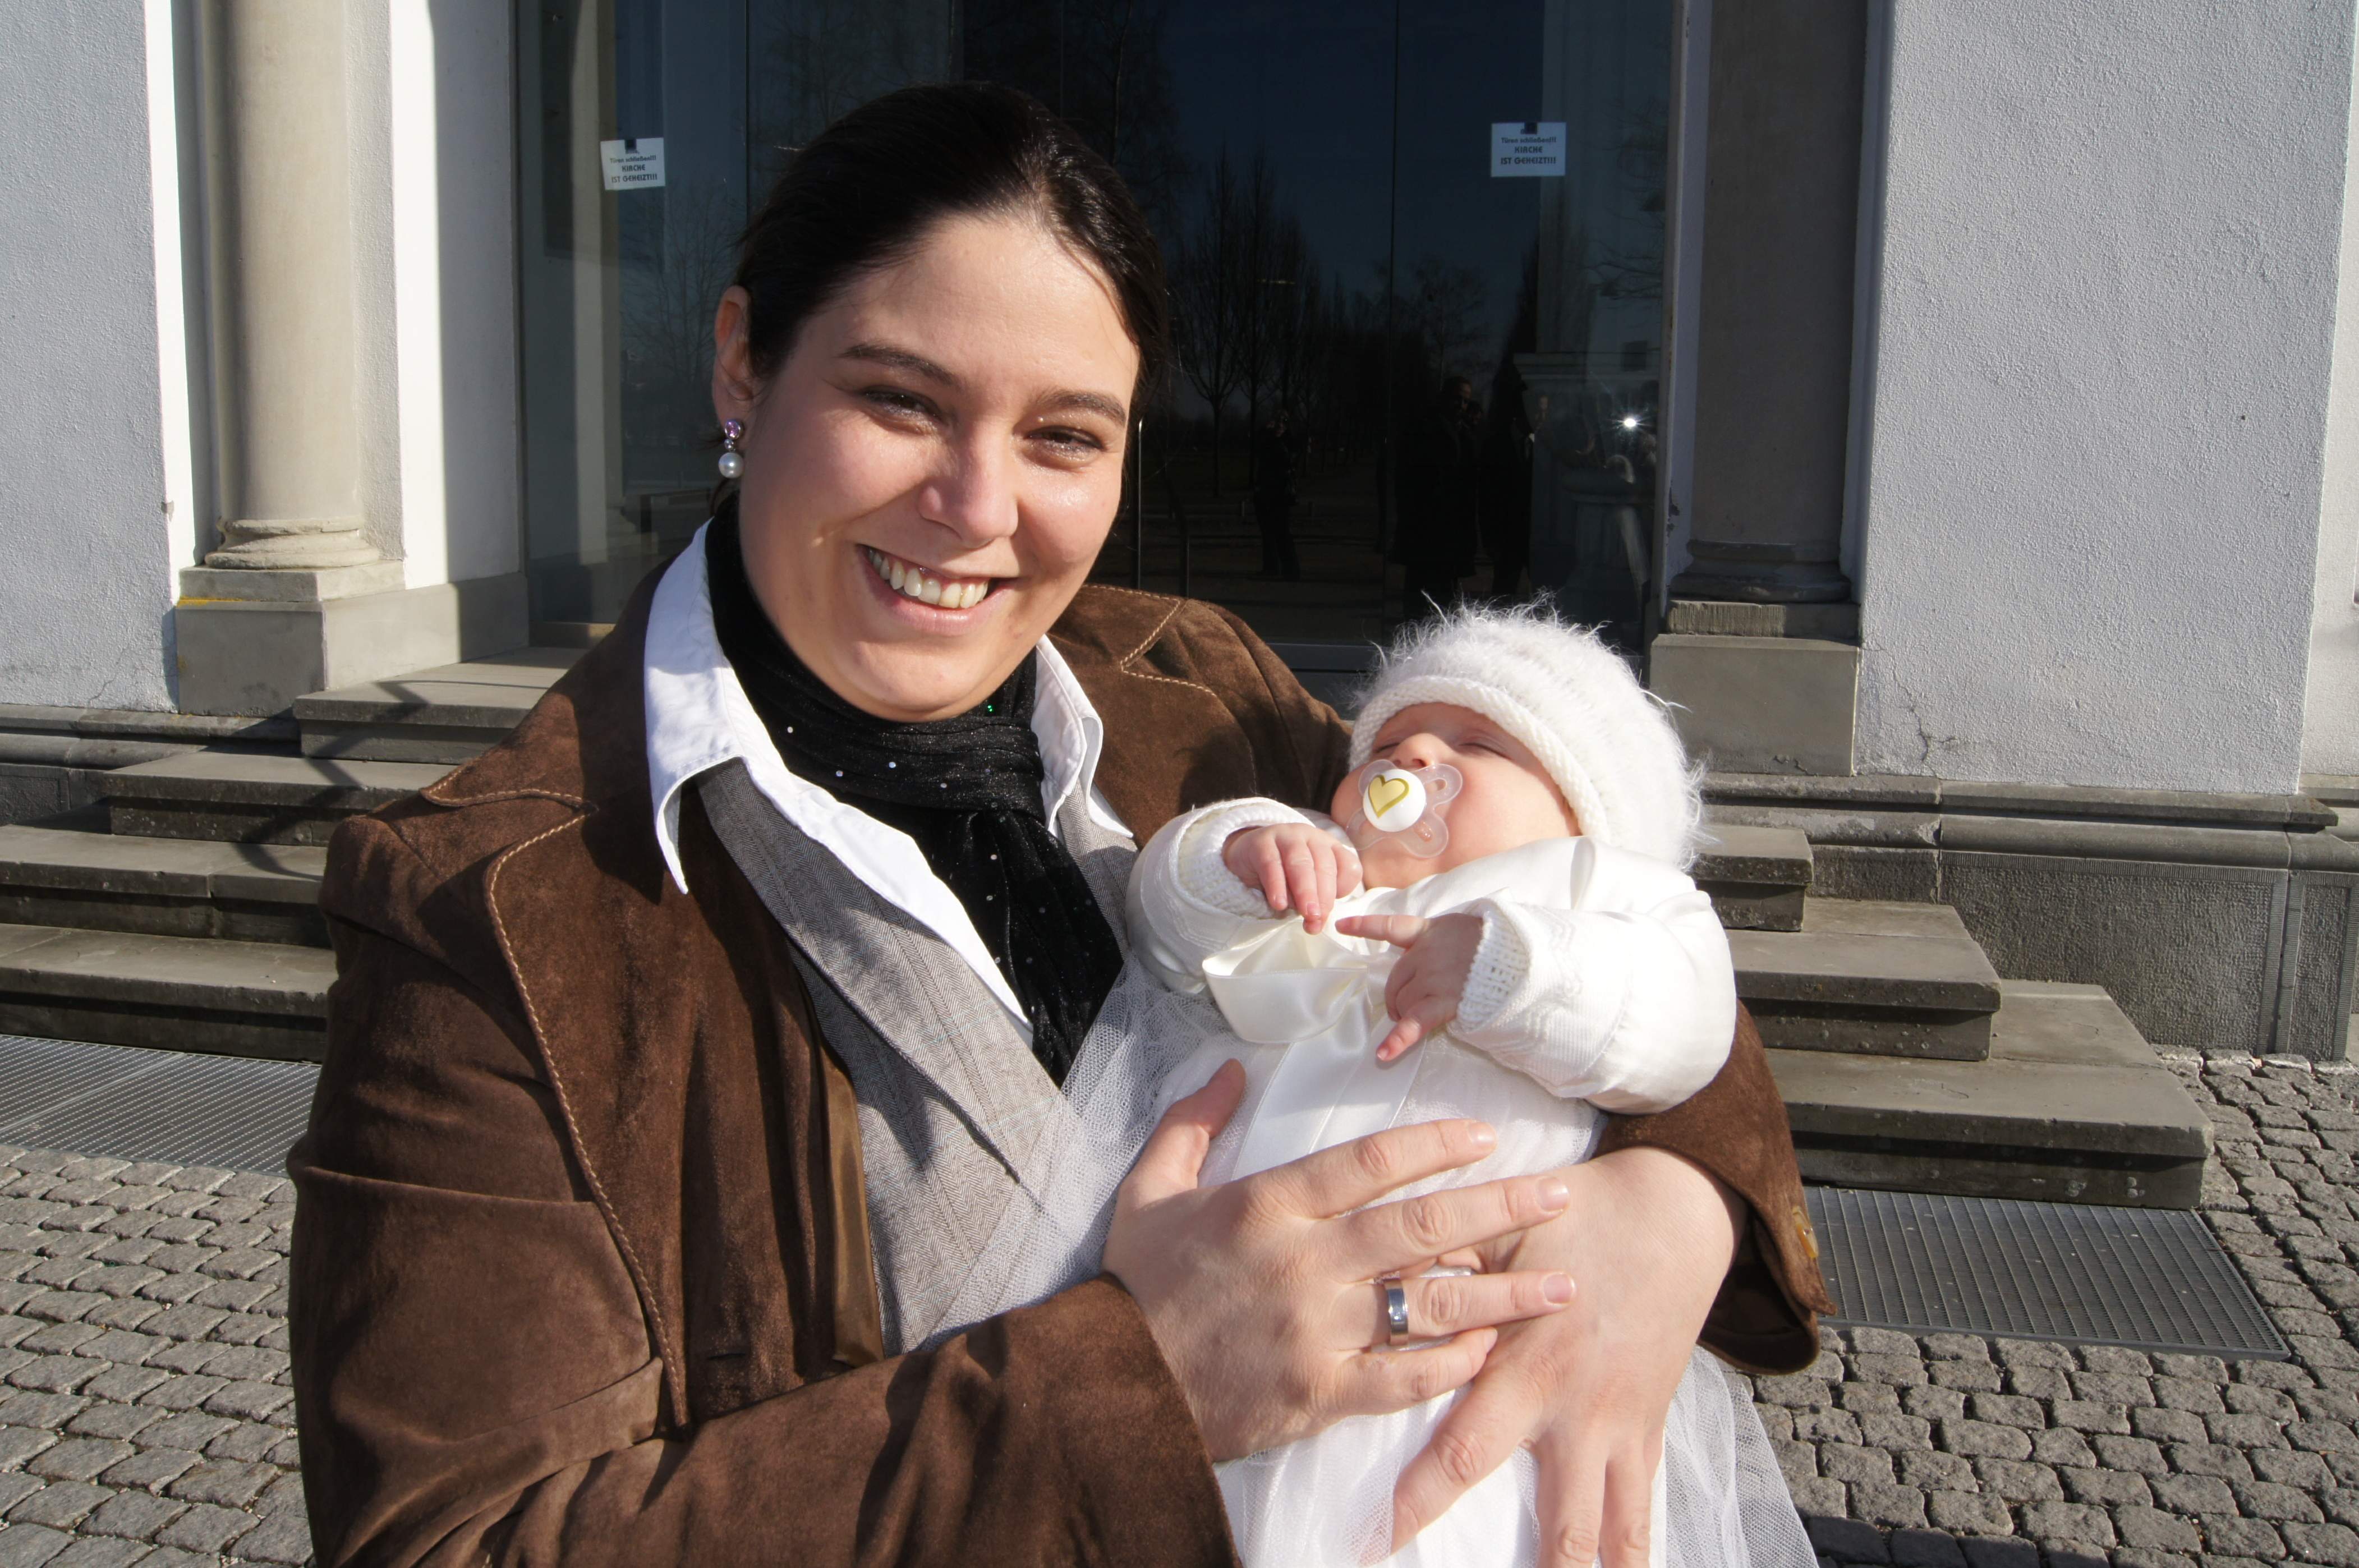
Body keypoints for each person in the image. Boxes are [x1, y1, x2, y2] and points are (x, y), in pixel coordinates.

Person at [289, 83, 1831, 1566]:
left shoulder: (1202, 691)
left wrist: (1660, 1210)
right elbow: (455, 1535)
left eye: (1065, 436)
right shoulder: (498, 912)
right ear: (743, 366)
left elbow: (1578, 906)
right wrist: (1142, 1386)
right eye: (901, 400)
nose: (977, 506)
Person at [1112, 608, 1812, 1567]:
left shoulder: (1599, 890)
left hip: (1462, 1352)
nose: (1415, 757)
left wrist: (1512, 969)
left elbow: (1688, 1021)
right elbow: (1164, 922)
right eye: (1388, 743)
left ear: (1585, 815)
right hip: (1236, 1313)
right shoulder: (1325, 866)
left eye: (1479, 745)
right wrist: (1238, 856)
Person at [1395, 376, 1481, 621]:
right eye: (1457, 399)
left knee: (1442, 599)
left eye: (1465, 401)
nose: (1461, 405)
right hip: (1429, 528)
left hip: (1449, 531)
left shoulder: (1463, 432)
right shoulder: (1427, 428)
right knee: (1423, 598)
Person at [1251, 410, 1300, 580]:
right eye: (1277, 421)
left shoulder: (1280, 444)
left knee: (1280, 532)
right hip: (1272, 492)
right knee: (1272, 532)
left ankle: (1288, 570)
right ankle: (1278, 568)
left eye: (1283, 422)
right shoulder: (1277, 442)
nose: (1280, 425)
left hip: (1277, 493)